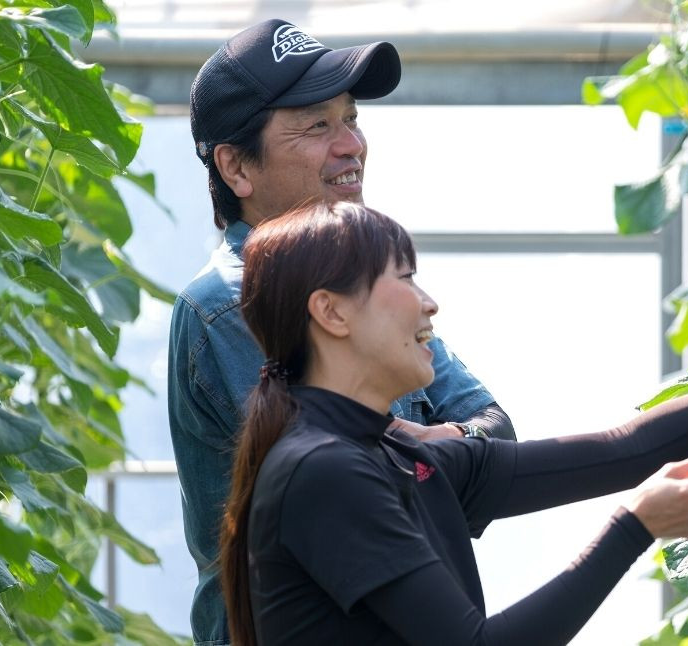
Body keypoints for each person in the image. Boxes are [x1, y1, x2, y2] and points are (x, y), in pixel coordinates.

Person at [221, 202, 688, 645]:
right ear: (331, 313)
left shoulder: (393, 452)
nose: (429, 303)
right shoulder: (326, 471)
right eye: (404, 278)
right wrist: (633, 528)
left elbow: (624, 451)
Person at [169, 19, 513, 644]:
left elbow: (497, 432)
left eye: (351, 118)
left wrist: (449, 445)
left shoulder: (356, 280)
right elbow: (369, 490)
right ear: (236, 168)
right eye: (316, 126)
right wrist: (451, 449)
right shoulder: (234, 303)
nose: (352, 144)